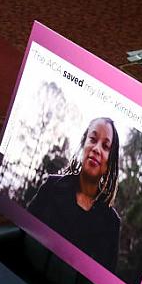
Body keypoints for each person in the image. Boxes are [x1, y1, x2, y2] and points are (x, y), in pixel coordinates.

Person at [27, 117, 121, 273]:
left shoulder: (111, 224)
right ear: (84, 143)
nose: (96, 149)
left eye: (105, 146)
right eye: (92, 139)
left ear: (110, 161)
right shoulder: (51, 187)